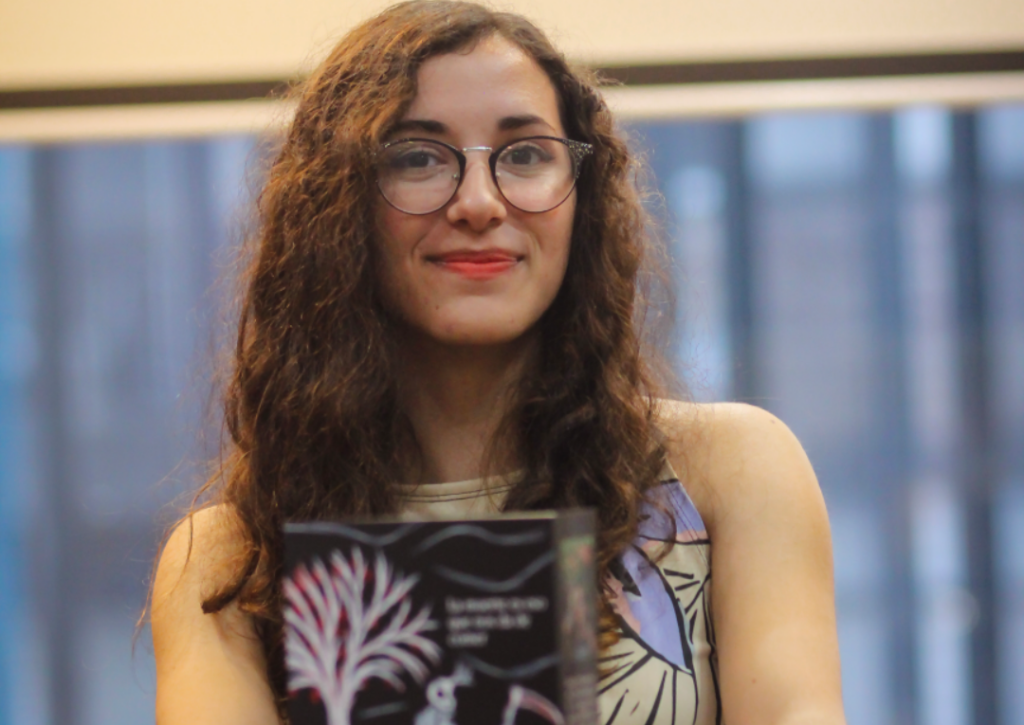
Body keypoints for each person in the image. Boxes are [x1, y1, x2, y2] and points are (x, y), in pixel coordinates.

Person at [150, 2, 846, 724]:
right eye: (417, 157)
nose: (479, 203)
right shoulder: (228, 563)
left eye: (525, 155)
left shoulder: (729, 473)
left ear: (581, 198)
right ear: (336, 207)